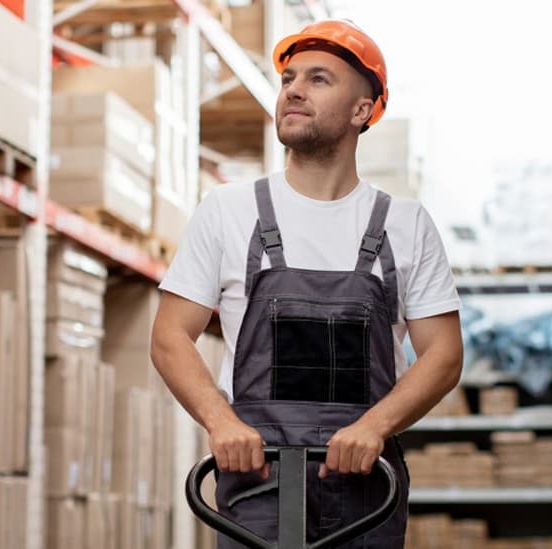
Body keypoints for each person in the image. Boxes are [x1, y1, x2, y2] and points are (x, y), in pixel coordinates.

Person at [150, 19, 464, 548]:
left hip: (365, 489)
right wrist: (220, 421)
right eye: (289, 78)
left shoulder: (404, 225)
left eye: (319, 79)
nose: (293, 89)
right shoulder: (229, 211)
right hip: (258, 483)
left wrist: (374, 427)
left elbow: (444, 355)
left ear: (362, 111)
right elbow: (169, 335)